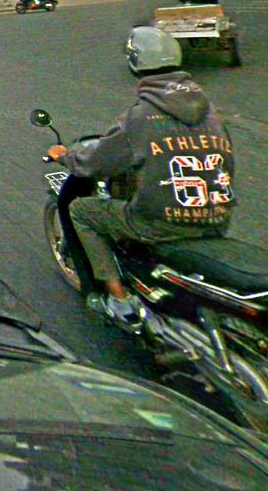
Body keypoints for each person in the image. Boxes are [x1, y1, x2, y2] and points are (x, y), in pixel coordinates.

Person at [47, 26, 235, 326]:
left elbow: (96, 162)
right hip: (216, 218)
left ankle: (119, 299)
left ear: (136, 61)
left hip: (162, 223)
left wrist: (64, 156)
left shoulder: (141, 117)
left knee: (81, 211)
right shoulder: (213, 113)